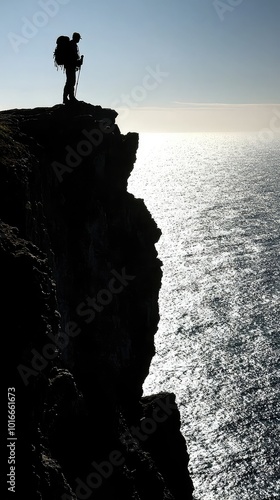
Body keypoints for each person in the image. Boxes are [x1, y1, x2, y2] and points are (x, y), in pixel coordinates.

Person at [63, 32, 84, 104]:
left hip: (70, 66)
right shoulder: (72, 45)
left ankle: (68, 97)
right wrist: (78, 62)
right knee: (70, 81)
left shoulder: (72, 45)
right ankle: (69, 97)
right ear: (76, 38)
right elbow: (72, 57)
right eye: (78, 38)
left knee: (70, 81)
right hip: (70, 66)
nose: (79, 40)